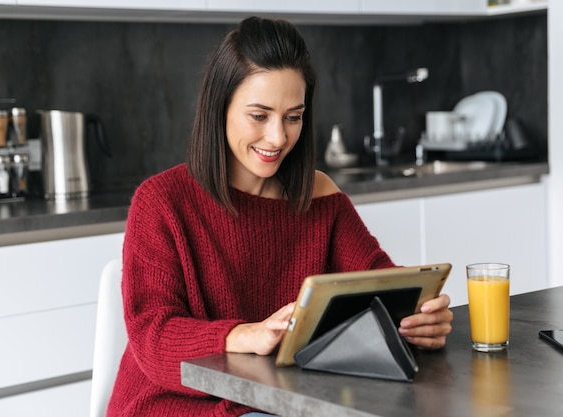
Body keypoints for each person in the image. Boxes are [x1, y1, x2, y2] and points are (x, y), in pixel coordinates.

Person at [106, 16, 453, 417]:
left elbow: (381, 284)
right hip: (176, 406)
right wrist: (243, 334)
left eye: (293, 117)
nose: (278, 138)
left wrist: (418, 317)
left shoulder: (319, 197)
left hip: (282, 403)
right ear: (221, 108)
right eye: (259, 115)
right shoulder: (162, 202)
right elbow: (153, 337)